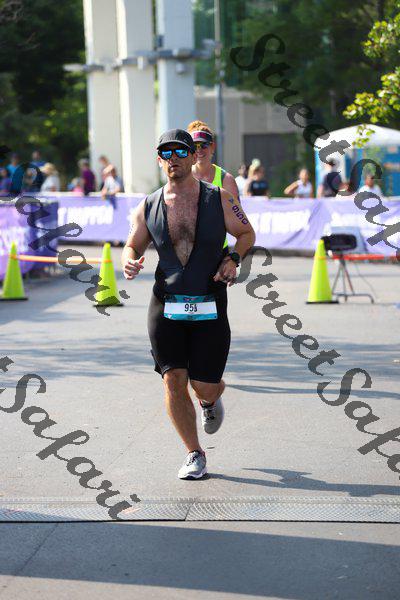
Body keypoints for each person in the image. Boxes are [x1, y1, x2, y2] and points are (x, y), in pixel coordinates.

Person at [121, 128, 255, 480]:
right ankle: (194, 452)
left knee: (203, 384)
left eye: (181, 151)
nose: (174, 159)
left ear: (193, 155)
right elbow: (132, 244)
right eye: (166, 153)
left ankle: (211, 398)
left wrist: (233, 259)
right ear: (160, 160)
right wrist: (129, 260)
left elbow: (246, 233)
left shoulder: (219, 198)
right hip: (166, 304)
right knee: (173, 379)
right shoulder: (148, 205)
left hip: (209, 300)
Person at [186, 120, 239, 199]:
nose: (199, 150)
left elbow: (235, 207)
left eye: (203, 145)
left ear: (213, 147)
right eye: (195, 146)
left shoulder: (226, 179)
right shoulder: (183, 177)